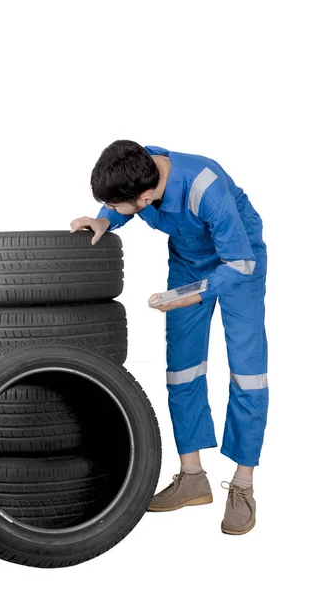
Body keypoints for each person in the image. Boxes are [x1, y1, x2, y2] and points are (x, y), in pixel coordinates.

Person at [70, 140, 268, 535]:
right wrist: (104, 219)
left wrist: (195, 296)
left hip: (239, 263)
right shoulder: (138, 162)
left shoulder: (205, 186)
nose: (113, 207)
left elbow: (240, 261)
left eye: (119, 205)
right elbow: (118, 202)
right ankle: (193, 477)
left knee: (247, 373)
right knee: (183, 370)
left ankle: (243, 485)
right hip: (188, 261)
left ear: (145, 197)